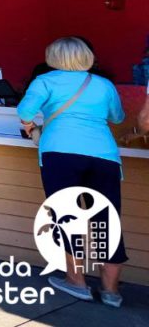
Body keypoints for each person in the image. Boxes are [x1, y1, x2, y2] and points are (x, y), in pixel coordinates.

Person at [17, 37, 127, 307]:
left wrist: (31, 126)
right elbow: (117, 117)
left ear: (52, 56)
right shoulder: (103, 85)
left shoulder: (45, 81)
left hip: (60, 152)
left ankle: (77, 283)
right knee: (106, 219)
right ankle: (111, 291)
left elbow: (25, 111)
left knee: (66, 216)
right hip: (104, 155)